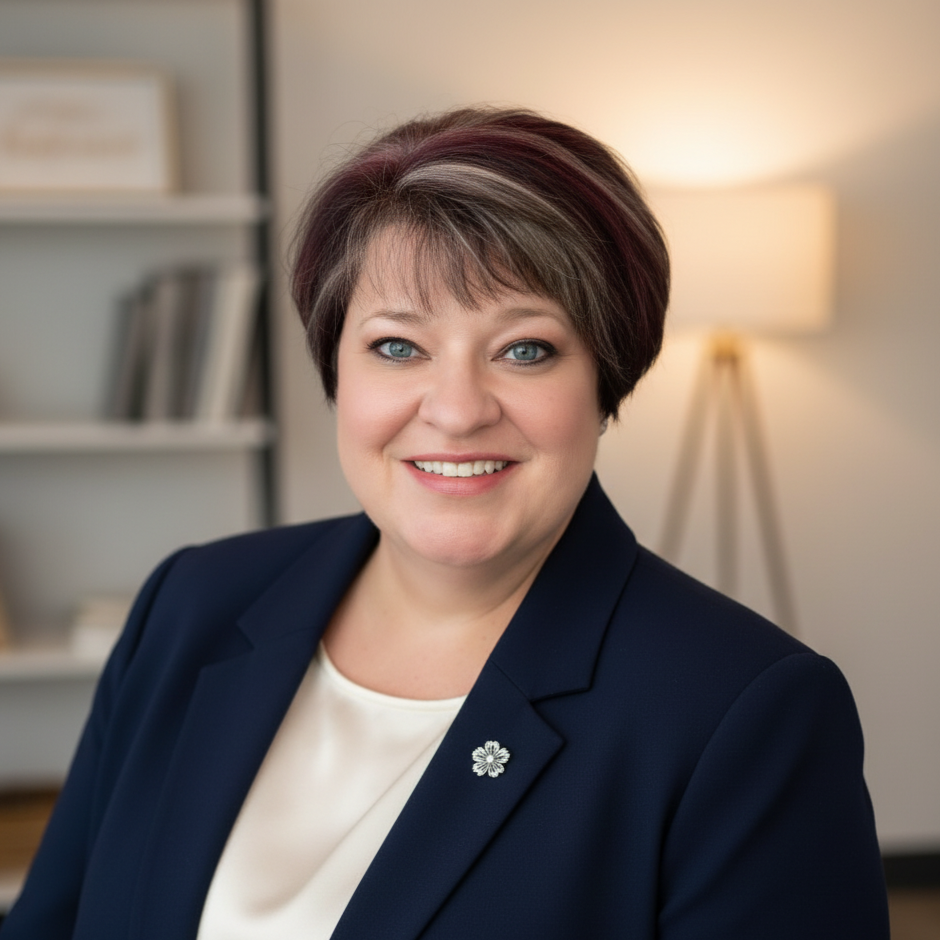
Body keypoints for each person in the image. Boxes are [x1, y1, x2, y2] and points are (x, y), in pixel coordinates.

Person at [1, 107, 889, 940]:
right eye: (398, 346)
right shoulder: (192, 603)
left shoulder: (746, 712)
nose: (457, 411)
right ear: (337, 369)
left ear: (605, 379)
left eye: (525, 350)